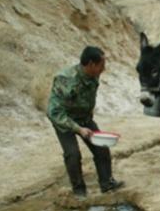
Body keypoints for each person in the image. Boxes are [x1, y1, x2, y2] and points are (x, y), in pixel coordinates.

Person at [47, 46, 123, 199]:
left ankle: (106, 184)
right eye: (102, 65)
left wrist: (86, 125)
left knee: (102, 148)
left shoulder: (94, 75)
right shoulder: (66, 79)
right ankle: (79, 191)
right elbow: (54, 112)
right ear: (91, 64)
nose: (104, 68)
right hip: (64, 120)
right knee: (73, 154)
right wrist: (78, 129)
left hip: (84, 118)